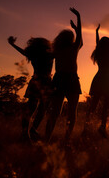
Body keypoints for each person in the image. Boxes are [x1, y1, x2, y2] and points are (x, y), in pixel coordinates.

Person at [45, 7, 83, 142]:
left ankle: (46, 139)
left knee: (55, 113)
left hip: (59, 79)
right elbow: (80, 38)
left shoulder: (57, 50)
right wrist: (78, 19)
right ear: (71, 39)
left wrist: (77, 26)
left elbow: (80, 39)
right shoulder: (73, 48)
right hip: (70, 79)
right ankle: (67, 138)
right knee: (71, 112)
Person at [8, 36, 53, 141]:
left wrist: (12, 44)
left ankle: (26, 132)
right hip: (46, 82)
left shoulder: (34, 54)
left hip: (36, 80)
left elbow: (22, 51)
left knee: (32, 108)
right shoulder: (49, 55)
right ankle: (32, 130)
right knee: (42, 108)